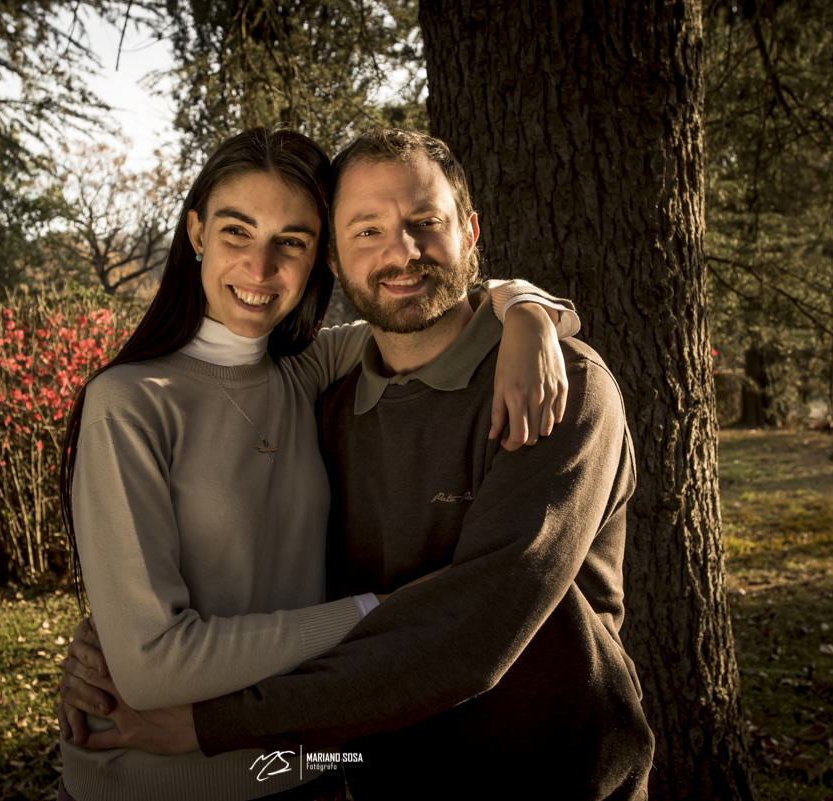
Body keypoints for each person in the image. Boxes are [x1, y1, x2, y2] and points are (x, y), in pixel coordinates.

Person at [61, 129, 655, 800]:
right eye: (366, 231)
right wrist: (121, 638)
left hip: (537, 779)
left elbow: (474, 631)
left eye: (424, 223)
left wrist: (526, 308)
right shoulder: (318, 393)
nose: (401, 253)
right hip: (306, 767)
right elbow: (171, 643)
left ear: (469, 229)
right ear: (337, 263)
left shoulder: (549, 387)